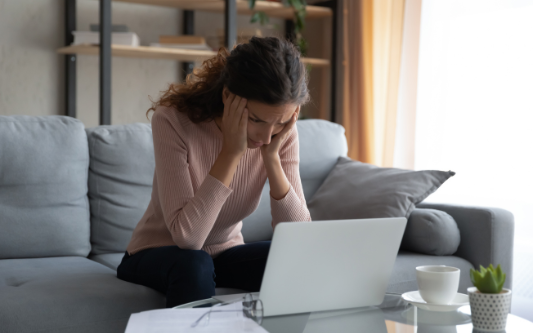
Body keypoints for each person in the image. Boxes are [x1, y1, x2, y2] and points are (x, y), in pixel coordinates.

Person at [117, 36, 312, 308]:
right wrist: (231, 153)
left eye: (279, 123)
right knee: (194, 264)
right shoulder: (173, 121)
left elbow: (299, 238)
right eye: (256, 120)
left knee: (297, 260)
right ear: (228, 97)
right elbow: (188, 238)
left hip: (224, 254)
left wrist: (272, 159)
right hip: (158, 253)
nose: (267, 136)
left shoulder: (280, 135)